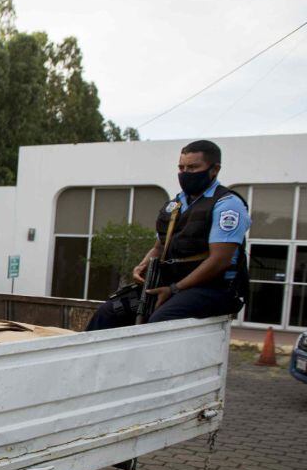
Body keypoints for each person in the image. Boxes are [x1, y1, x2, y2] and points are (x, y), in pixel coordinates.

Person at [86, 140, 251, 330]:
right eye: (181, 167)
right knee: (110, 311)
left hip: (214, 290)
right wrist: (142, 265)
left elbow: (219, 261)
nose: (185, 173)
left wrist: (175, 289)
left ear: (214, 169)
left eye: (193, 167)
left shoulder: (227, 204)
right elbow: (159, 247)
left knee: (160, 321)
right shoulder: (176, 205)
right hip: (172, 286)